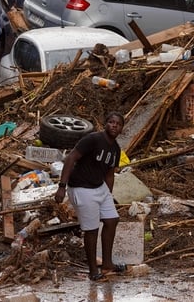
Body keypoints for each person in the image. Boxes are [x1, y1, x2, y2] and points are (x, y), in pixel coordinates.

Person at [54, 112, 127, 281]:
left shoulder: (115, 149)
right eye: (111, 122)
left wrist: (109, 194)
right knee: (91, 229)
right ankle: (93, 270)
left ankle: (107, 263)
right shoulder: (93, 139)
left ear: (122, 128)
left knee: (111, 220)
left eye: (118, 123)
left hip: (99, 187)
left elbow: (110, 173)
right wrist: (62, 187)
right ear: (105, 124)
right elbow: (71, 158)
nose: (114, 125)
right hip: (81, 187)